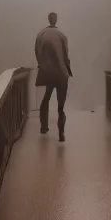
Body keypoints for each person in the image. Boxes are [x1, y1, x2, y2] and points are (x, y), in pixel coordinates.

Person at [35, 12, 72, 141]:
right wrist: (68, 69)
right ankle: (61, 132)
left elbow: (37, 52)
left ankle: (44, 127)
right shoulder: (62, 36)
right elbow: (66, 56)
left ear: (48, 19)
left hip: (47, 72)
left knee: (46, 98)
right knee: (61, 104)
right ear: (56, 20)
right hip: (61, 73)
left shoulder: (41, 34)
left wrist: (42, 65)